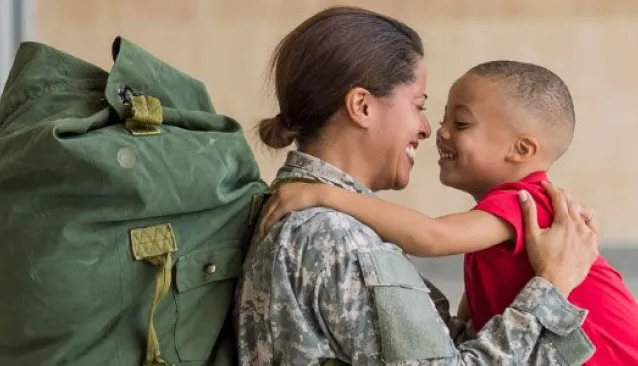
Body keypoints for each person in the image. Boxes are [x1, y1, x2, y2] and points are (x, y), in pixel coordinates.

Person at [235, 6, 599, 365]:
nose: (428, 129)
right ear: (362, 106)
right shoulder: (335, 235)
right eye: (419, 105)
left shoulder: (316, 214)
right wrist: (552, 288)